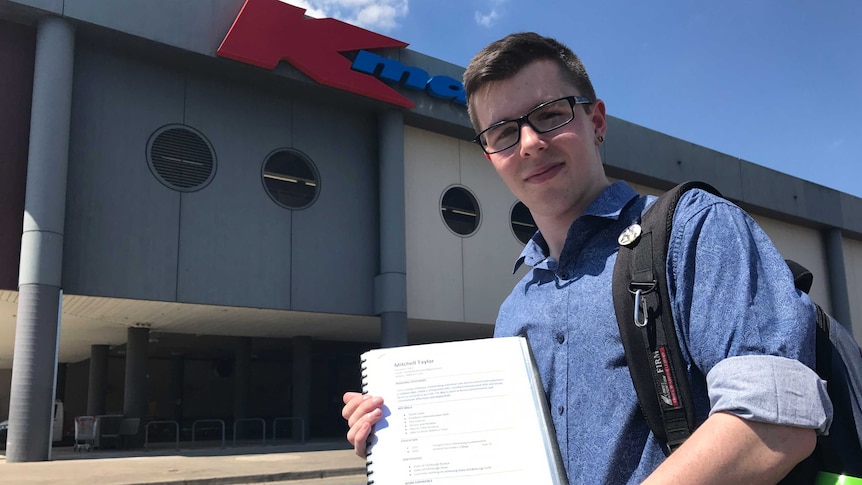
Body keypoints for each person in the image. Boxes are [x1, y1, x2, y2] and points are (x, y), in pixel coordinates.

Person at [342, 32, 832, 484]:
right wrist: (401, 437)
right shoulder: (517, 307)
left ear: (596, 120)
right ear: (490, 156)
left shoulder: (694, 230)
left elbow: (774, 421)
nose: (530, 143)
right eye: (503, 133)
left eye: (550, 114)